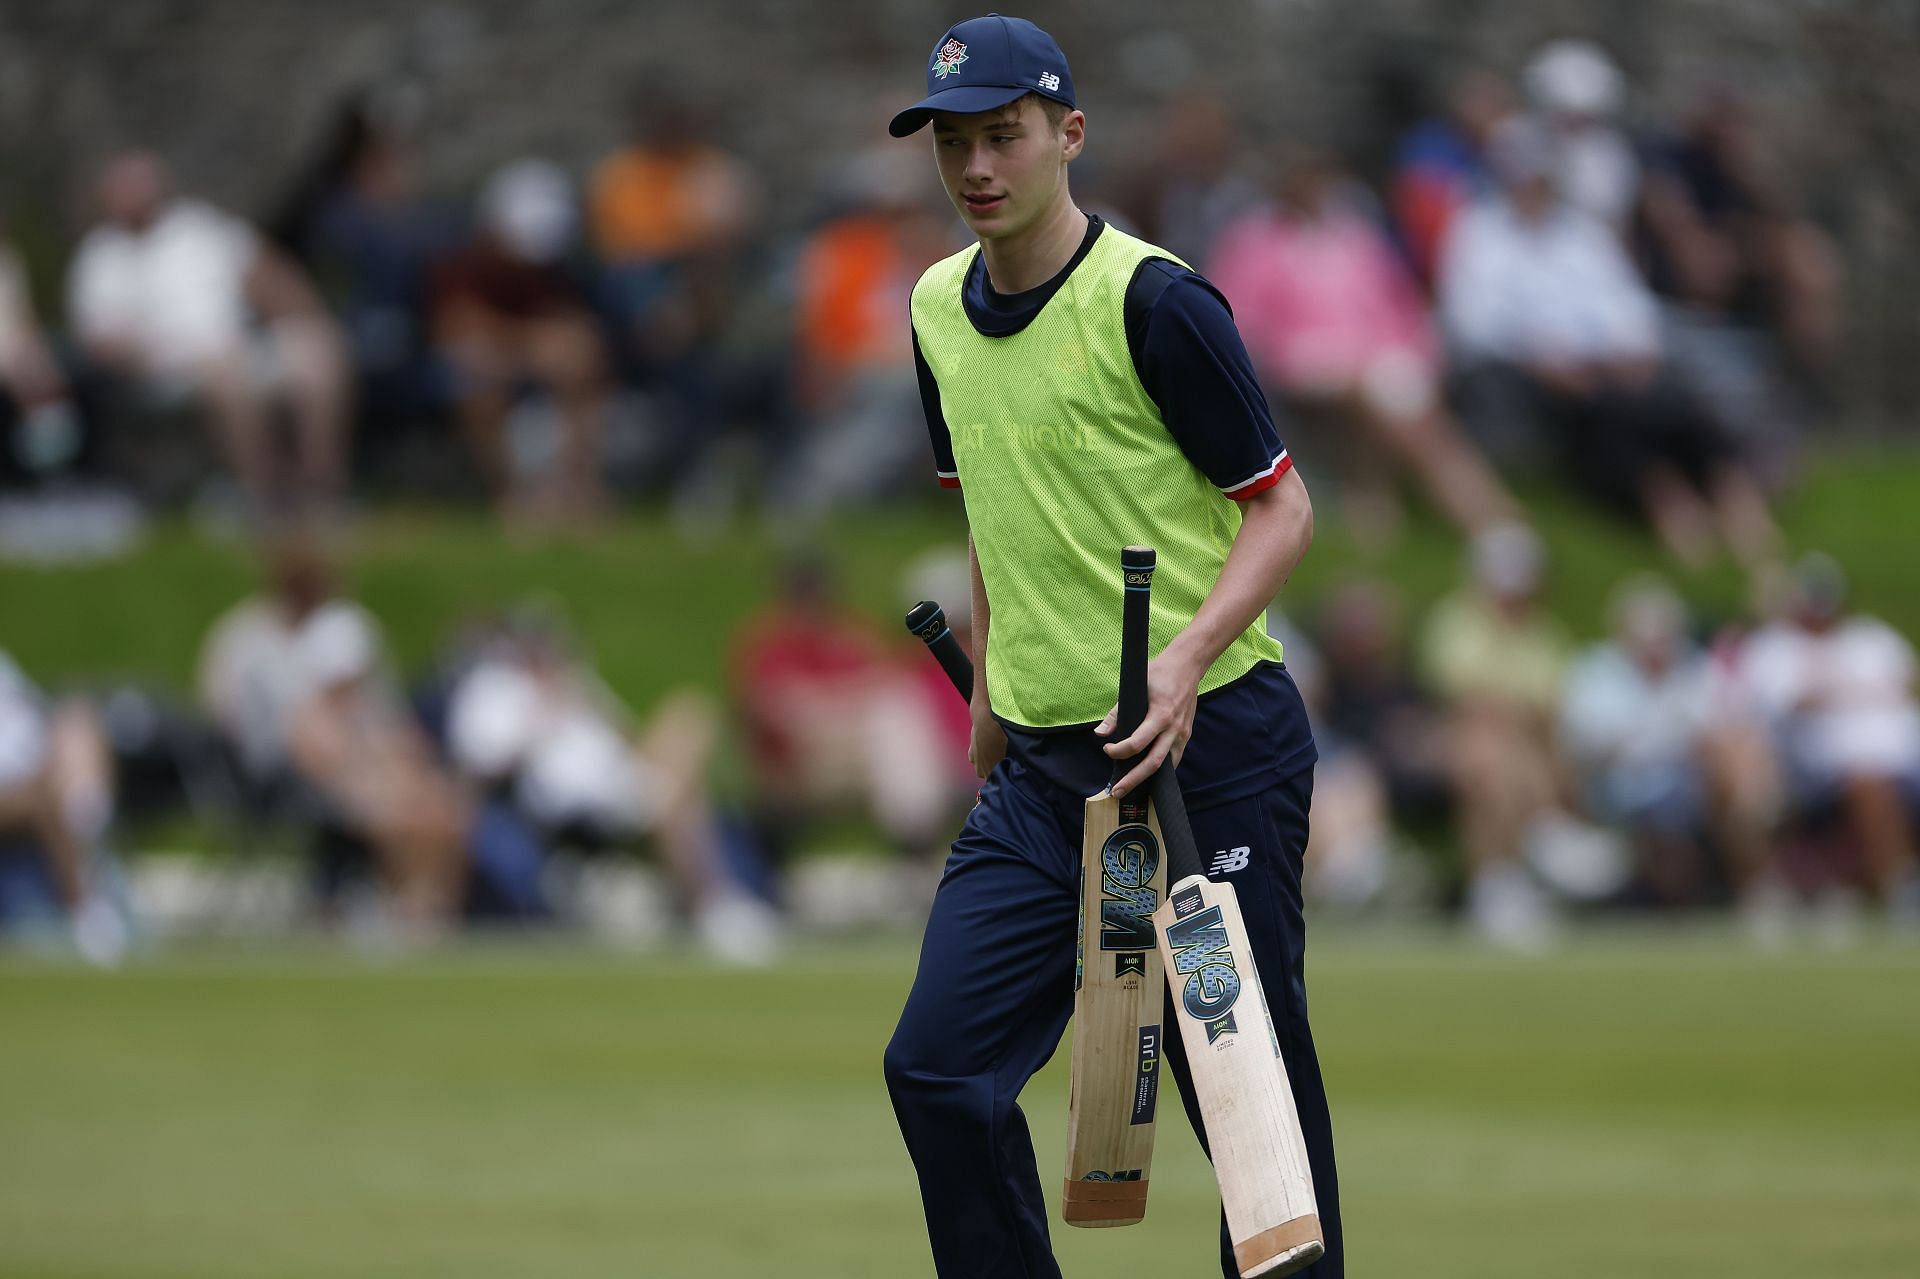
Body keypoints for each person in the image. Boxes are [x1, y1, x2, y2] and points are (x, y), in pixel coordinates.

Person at [877, 17, 1338, 1278]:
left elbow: (1282, 508)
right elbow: (983, 498)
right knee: (940, 1072)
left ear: (1068, 135)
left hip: (1206, 755)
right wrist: (989, 683)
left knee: (1247, 1112)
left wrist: (1184, 656)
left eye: (1003, 136)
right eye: (955, 144)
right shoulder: (933, 307)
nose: (977, 166)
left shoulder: (1156, 301)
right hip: (1044, 775)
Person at [1209, 150, 1523, 539]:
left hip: (1370, 356)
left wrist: (1418, 353)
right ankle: (1484, 513)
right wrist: (1285, 352)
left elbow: (1399, 302)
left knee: (1405, 402)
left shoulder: (1353, 237)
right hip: (1298, 360)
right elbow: (1239, 314)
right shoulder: (1257, 240)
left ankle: (1385, 499)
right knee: (1381, 395)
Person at [67, 151, 350, 514]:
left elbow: (267, 274)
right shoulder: (99, 257)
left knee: (316, 349)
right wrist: (145, 353)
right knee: (225, 372)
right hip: (167, 367)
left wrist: (302, 313)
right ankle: (262, 492)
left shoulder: (200, 229)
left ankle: (322, 487)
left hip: (241, 347)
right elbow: (98, 339)